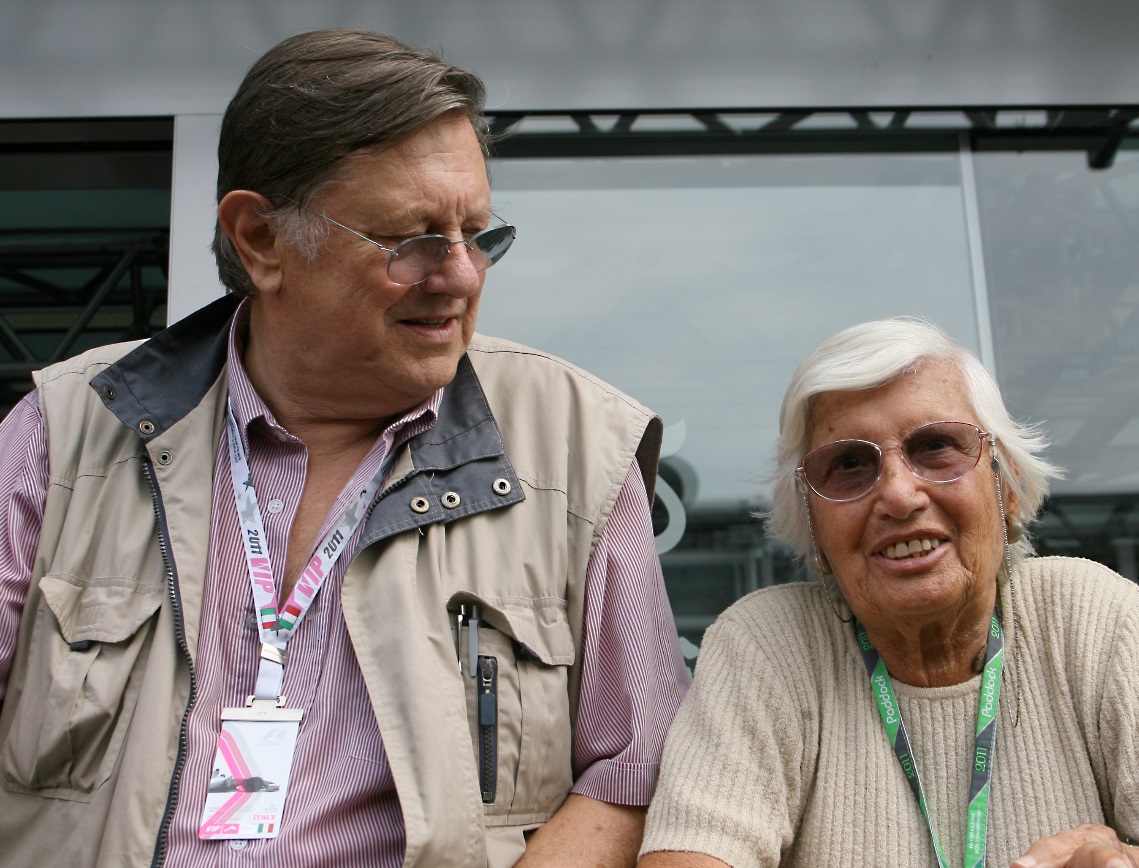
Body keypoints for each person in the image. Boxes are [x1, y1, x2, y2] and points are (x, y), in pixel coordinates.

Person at [0, 29, 689, 867]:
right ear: (260, 239)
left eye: (480, 234)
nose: (464, 275)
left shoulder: (578, 446)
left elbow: (635, 773)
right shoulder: (62, 432)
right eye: (414, 240)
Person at [638, 318, 1139, 868]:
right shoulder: (766, 643)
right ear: (812, 521)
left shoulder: (1090, 614)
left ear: (1007, 486)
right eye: (849, 464)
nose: (899, 495)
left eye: (936, 447)